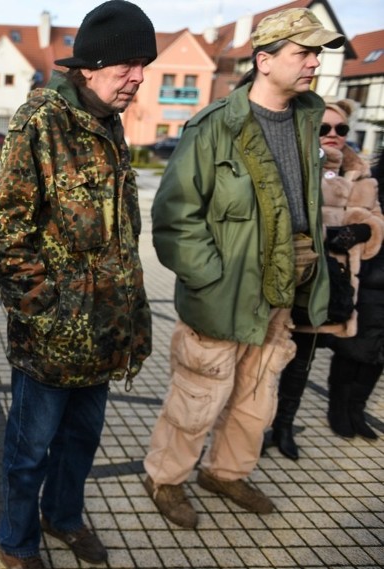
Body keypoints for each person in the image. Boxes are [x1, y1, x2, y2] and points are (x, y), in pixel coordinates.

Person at [144, 8, 344, 529]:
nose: (314, 62)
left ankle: (226, 472)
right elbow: (173, 218)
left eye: (317, 52)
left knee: (258, 397)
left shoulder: (306, 121)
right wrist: (211, 278)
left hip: (282, 293)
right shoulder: (215, 127)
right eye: (303, 52)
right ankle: (165, 479)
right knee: (198, 397)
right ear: (264, 60)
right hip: (222, 294)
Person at [0, 1, 155, 566]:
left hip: (103, 335)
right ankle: (15, 544)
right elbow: (3, 241)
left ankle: (63, 517)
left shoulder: (109, 122)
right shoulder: (41, 122)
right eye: (128, 64)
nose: (138, 77)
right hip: (54, 339)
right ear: (89, 65)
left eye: (144, 65)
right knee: (29, 451)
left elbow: (119, 234)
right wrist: (48, 313)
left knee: (80, 443)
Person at [269, 99, 383, 458]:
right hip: (293, 282)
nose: (333, 135)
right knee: (271, 361)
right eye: (324, 128)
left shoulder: (359, 172)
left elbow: (375, 218)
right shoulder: (296, 165)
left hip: (333, 288)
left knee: (303, 361)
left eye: (341, 129)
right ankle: (254, 428)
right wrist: (320, 238)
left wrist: (363, 232)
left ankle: (284, 426)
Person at [325, 113, 384, 441]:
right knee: (354, 348)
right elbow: (366, 217)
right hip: (372, 275)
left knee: (378, 355)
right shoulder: (375, 179)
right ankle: (338, 408)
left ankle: (357, 409)